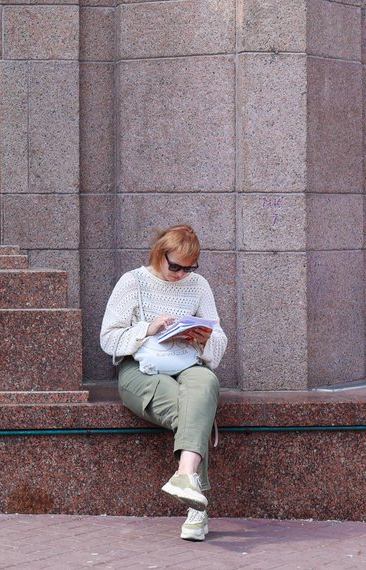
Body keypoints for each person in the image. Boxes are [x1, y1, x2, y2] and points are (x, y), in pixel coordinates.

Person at [99, 224, 227, 542]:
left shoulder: (198, 286)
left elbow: (220, 338)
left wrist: (203, 338)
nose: (181, 274)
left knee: (205, 383)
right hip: (141, 371)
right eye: (175, 266)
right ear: (160, 254)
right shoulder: (133, 282)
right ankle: (197, 512)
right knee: (194, 409)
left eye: (189, 268)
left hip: (187, 361)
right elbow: (108, 338)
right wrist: (147, 328)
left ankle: (184, 475)